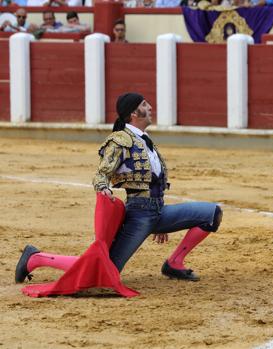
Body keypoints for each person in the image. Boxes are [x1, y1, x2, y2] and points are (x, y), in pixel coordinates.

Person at [15, 93, 223, 283]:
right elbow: (101, 173)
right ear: (134, 113)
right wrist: (103, 187)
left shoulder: (145, 141)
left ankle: (174, 263)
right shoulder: (119, 140)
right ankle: (36, 258)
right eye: (144, 104)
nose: (150, 107)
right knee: (104, 269)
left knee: (212, 214)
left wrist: (163, 220)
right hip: (139, 215)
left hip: (158, 210)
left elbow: (153, 181)